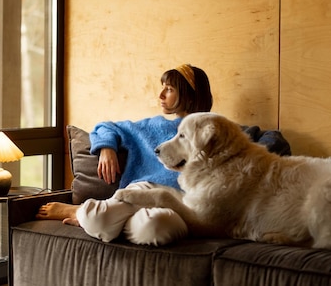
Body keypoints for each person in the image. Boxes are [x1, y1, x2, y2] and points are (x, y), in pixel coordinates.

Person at [36, 64, 214, 246]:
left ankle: (93, 220)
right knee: (98, 217)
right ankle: (81, 213)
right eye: (163, 88)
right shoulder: (153, 125)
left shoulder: (212, 131)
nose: (161, 95)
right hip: (142, 191)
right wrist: (106, 148)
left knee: (156, 229)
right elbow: (105, 127)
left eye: (169, 89)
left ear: (190, 96)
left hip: (180, 202)